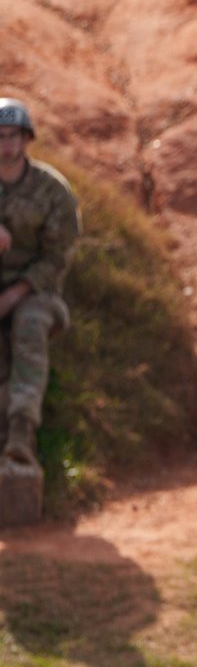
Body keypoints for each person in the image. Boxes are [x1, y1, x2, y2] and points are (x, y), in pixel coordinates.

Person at [0, 99, 81, 469]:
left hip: (36, 293)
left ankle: (21, 433)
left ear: (26, 139)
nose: (6, 145)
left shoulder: (52, 191)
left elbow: (58, 258)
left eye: (13, 136)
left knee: (28, 325)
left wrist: (16, 294)